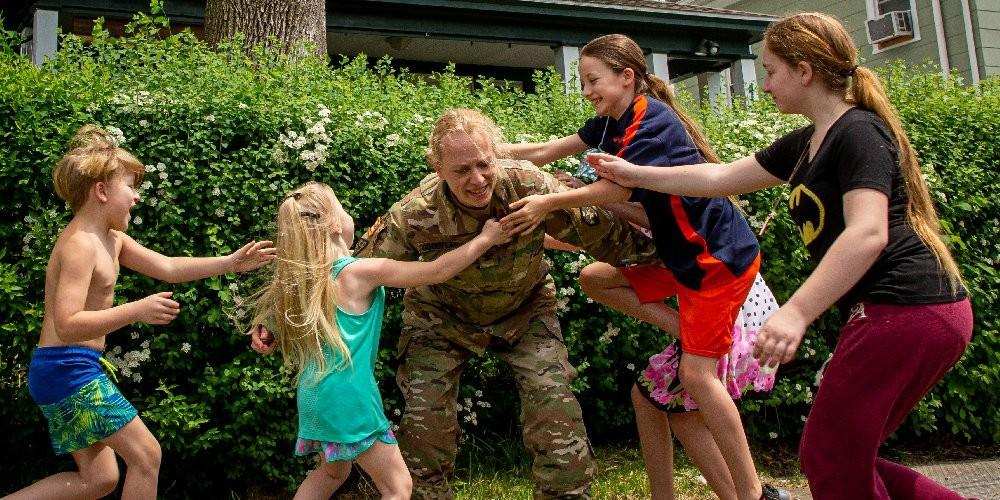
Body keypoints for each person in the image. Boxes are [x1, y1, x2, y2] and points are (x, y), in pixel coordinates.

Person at [590, 13, 972, 500]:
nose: (765, 84)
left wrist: (795, 312)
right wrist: (633, 172)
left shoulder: (858, 132)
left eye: (770, 70)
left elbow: (868, 233)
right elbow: (716, 179)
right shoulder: (808, 143)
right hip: (906, 315)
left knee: (829, 454)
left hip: (911, 309)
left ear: (804, 71)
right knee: (843, 454)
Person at [254, 108, 655, 499]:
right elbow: (342, 270)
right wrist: (276, 317)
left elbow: (604, 233)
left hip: (526, 310)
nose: (477, 179)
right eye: (462, 170)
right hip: (440, 318)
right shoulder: (415, 213)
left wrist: (677, 256)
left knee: (552, 403)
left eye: (484, 164)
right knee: (425, 422)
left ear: (496, 154)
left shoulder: (529, 187)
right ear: (438, 166)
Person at [501, 34, 783, 500]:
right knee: (596, 279)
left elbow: (617, 192)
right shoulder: (611, 123)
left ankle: (752, 494)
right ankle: (686, 336)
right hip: (682, 262)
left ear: (626, 77)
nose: (587, 90)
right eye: (582, 81)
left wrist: (549, 200)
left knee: (695, 379)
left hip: (717, 260)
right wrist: (492, 154)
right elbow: (547, 150)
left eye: (593, 80)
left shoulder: (652, 123)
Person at [5, 125, 276, 500]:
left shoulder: (112, 240)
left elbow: (168, 267)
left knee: (98, 480)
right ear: (101, 191)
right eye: (130, 188)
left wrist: (230, 263)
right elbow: (66, 325)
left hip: (68, 368)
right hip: (65, 369)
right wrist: (137, 309)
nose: (136, 198)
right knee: (147, 456)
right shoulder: (80, 246)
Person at [247, 181, 510, 500]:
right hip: (350, 398)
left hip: (314, 398)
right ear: (333, 223)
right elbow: (438, 271)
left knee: (332, 473)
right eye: (342, 207)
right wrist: (485, 239)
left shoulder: (301, 282)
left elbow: (273, 320)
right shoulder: (358, 273)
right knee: (398, 487)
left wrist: (267, 329)